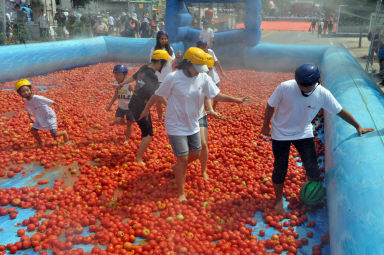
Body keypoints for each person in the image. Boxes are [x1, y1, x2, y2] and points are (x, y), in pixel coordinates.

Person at [139, 47, 249, 201]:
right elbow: (157, 96)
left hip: (193, 123)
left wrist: (236, 100)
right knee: (183, 159)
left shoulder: (203, 77)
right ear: (187, 63)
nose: (198, 71)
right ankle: (181, 193)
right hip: (175, 124)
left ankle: (177, 167)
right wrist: (145, 110)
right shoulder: (173, 77)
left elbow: (216, 95)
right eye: (196, 67)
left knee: (196, 154)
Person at [261, 64, 374, 212]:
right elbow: (270, 106)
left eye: (308, 85)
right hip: (280, 133)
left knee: (312, 168)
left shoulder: (323, 94)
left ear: (317, 82)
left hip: (303, 132)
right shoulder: (285, 87)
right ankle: (278, 200)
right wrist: (265, 126)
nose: (304, 88)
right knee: (280, 167)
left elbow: (340, 111)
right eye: (301, 84)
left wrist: (357, 126)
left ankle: (311, 197)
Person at [120, 50, 170, 165]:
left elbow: (132, 78)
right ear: (159, 62)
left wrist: (121, 84)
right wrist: (170, 106)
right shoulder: (152, 76)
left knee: (145, 127)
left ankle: (144, 147)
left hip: (134, 102)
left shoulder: (144, 68)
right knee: (149, 134)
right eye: (164, 63)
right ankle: (138, 159)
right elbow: (158, 95)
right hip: (140, 106)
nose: (164, 66)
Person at [15, 79, 69, 147]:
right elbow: (29, 108)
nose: (26, 92)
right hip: (39, 117)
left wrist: (56, 105)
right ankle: (40, 143)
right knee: (33, 131)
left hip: (48, 116)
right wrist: (29, 115)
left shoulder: (37, 97)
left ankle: (64, 134)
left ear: (30, 90)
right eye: (23, 91)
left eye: (27, 90)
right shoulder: (26, 102)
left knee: (54, 134)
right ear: (20, 94)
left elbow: (47, 100)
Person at [149, 30, 182, 121]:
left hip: (168, 77)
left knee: (167, 97)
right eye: (162, 39)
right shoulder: (154, 50)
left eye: (165, 39)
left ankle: (172, 114)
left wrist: (177, 57)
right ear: (158, 39)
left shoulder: (170, 49)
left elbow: (172, 64)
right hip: (157, 77)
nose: (164, 40)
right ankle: (160, 118)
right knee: (158, 99)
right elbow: (151, 63)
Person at [196, 40, 228, 110]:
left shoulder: (210, 51)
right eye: (202, 47)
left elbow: (216, 62)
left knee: (217, 94)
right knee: (205, 95)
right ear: (198, 47)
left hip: (214, 77)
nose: (204, 49)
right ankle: (206, 109)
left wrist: (222, 72)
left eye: (205, 47)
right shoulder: (196, 54)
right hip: (204, 78)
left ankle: (214, 108)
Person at [106, 65, 135, 142]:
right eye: (116, 74)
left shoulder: (129, 85)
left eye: (119, 75)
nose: (117, 76)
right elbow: (116, 95)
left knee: (129, 125)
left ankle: (127, 139)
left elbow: (136, 94)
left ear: (125, 75)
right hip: (121, 107)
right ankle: (128, 123)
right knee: (117, 120)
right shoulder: (116, 85)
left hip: (130, 108)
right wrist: (110, 104)